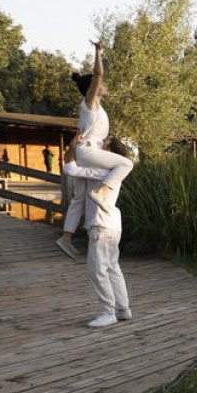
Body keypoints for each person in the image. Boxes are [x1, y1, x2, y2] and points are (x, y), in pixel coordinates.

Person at [62, 137, 133, 328]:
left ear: (108, 153)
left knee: (97, 270)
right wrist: (72, 148)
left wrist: (72, 148)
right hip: (113, 225)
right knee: (112, 267)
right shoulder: (112, 172)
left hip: (101, 225)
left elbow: (68, 168)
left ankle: (107, 312)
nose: (98, 146)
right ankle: (123, 309)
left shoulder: (101, 171)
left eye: (103, 144)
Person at [69, 40, 133, 217]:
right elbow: (98, 74)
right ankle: (101, 193)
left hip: (88, 151)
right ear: (93, 88)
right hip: (88, 152)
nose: (103, 85)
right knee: (126, 164)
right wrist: (98, 52)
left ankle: (68, 237)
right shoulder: (90, 103)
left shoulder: (96, 109)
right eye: (100, 84)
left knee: (79, 198)